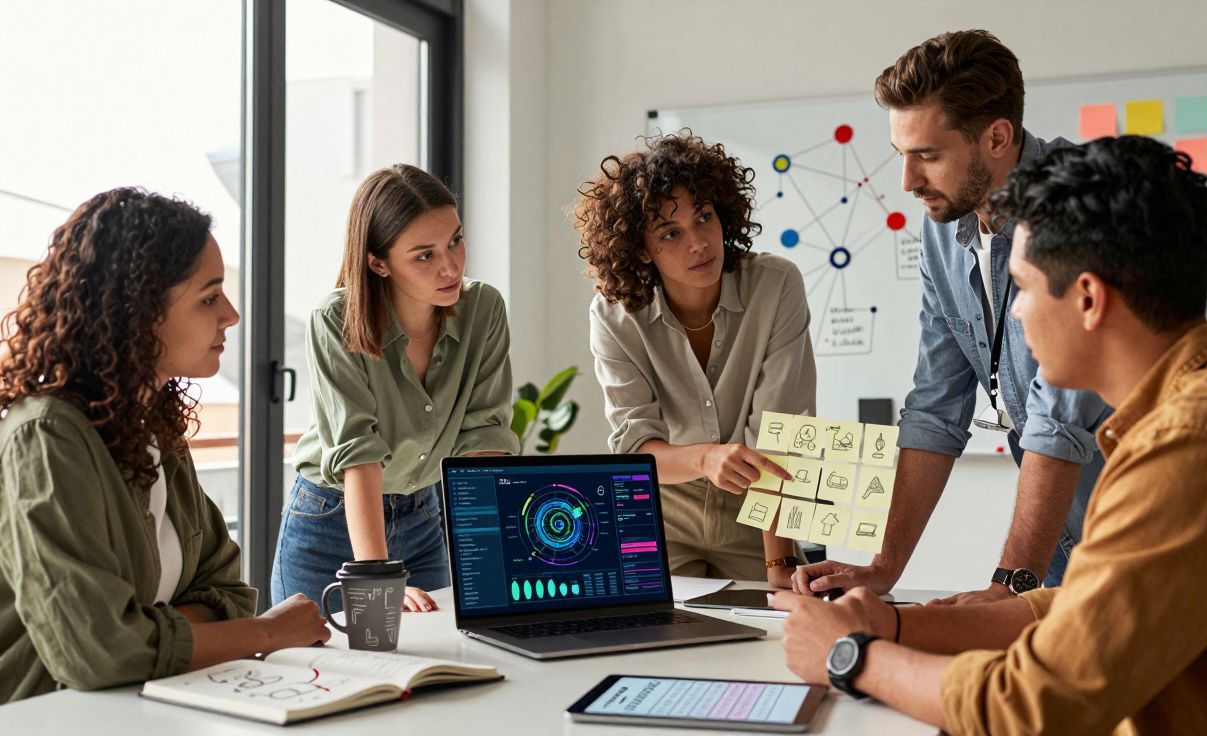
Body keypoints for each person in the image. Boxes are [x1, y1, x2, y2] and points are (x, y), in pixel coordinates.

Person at [770, 136, 1207, 733]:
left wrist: (851, 658)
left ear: (1087, 298)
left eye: (1022, 286)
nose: (1017, 313)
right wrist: (895, 625)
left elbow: (1036, 705)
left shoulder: (1193, 447)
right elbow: (1092, 611)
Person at [794, 30, 1112, 604]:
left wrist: (1008, 584)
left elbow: (1057, 419)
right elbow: (936, 406)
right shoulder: (944, 227)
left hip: (1152, 533)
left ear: (996, 136)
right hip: (1071, 547)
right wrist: (881, 571)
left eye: (928, 156)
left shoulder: (1078, 207)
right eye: (901, 155)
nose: (908, 182)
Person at [0, 188, 329, 704]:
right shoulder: (45, 437)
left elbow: (228, 589)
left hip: (145, 706)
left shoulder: (156, 428)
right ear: (139, 310)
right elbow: (95, 652)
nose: (231, 315)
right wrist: (266, 633)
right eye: (208, 297)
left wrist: (144, 634)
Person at [271, 164, 518, 614]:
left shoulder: (484, 309)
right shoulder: (335, 320)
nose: (450, 266)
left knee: (440, 662)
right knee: (322, 673)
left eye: (455, 241)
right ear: (378, 261)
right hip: (330, 522)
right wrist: (377, 576)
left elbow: (484, 437)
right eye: (424, 255)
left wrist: (492, 559)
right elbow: (358, 454)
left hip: (422, 515)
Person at [575, 132, 815, 585]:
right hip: (662, 511)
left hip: (758, 509)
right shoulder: (614, 316)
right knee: (651, 644)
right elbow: (636, 448)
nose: (699, 242)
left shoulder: (777, 285)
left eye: (704, 217)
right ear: (642, 249)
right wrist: (706, 459)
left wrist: (780, 566)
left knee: (778, 635)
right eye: (671, 232)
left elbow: (783, 436)